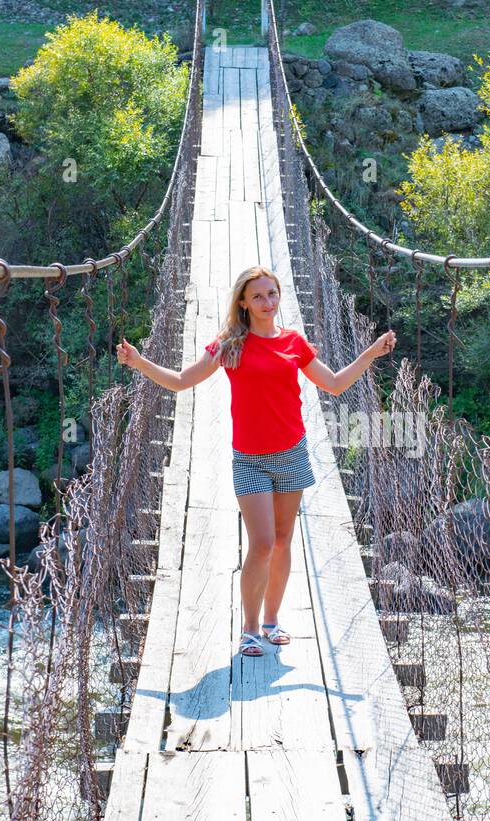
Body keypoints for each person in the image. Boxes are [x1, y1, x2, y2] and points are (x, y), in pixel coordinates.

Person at [116, 265, 396, 657]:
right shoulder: (230, 344)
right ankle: (248, 628)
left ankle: (271, 621)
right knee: (262, 543)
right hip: (249, 459)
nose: (268, 302)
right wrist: (139, 362)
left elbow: (334, 384)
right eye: (259, 296)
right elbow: (181, 381)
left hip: (291, 453)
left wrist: (370, 352)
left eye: (273, 294)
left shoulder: (294, 343)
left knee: (282, 542)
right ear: (243, 303)